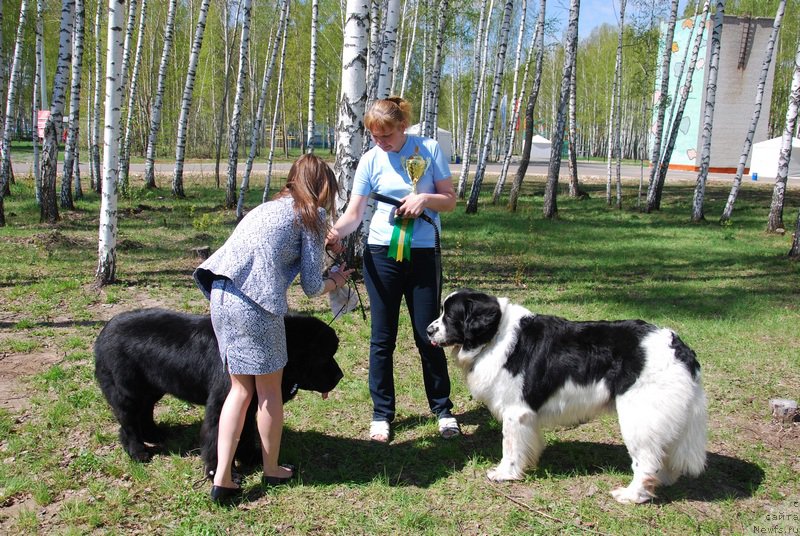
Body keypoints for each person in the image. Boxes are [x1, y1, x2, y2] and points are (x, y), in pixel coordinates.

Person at [194, 154, 353, 504]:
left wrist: (321, 248)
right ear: (323, 186)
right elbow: (312, 286)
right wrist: (336, 278)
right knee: (268, 392)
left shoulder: (267, 208)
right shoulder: (312, 215)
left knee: (239, 391)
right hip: (255, 304)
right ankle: (272, 467)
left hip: (221, 295)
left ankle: (222, 478)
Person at [326, 96, 459, 443]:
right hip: (381, 254)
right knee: (381, 340)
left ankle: (443, 409)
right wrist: (335, 232)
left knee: (428, 335)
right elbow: (354, 214)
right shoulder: (370, 160)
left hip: (424, 253)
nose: (380, 142)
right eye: (373, 136)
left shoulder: (428, 150)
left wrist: (424, 199)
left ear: (403, 127)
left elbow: (450, 199)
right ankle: (382, 415)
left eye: (386, 136)